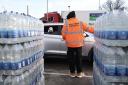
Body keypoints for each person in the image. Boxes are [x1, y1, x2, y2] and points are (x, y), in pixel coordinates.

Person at [61, 11, 94, 78]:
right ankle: (79, 73)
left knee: (71, 59)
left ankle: (72, 73)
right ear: (75, 16)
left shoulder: (66, 23)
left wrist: (66, 38)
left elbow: (63, 34)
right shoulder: (80, 22)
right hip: (79, 44)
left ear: (69, 16)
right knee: (79, 59)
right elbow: (89, 29)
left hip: (70, 45)